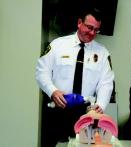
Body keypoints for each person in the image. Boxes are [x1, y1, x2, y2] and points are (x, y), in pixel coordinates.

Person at [35, 8, 114, 147]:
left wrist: (100, 105)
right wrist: (52, 91)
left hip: (85, 114)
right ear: (79, 23)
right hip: (57, 110)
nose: (92, 33)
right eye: (89, 28)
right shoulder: (57, 45)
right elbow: (42, 72)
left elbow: (106, 83)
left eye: (96, 30)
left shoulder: (102, 53)